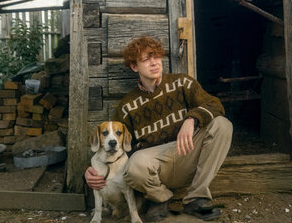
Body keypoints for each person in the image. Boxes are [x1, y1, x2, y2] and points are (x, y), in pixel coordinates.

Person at [85, 36, 233, 221]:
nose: (154, 63)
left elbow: (215, 104)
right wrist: (89, 170)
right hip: (155, 166)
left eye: (156, 57)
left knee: (222, 125)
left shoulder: (182, 83)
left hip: (187, 152)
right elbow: (112, 145)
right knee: (134, 165)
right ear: (134, 67)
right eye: (146, 59)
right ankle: (159, 199)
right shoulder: (127, 106)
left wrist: (191, 119)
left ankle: (196, 199)